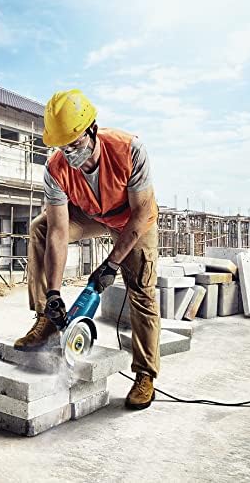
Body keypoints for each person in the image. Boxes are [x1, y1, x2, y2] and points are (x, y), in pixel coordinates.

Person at [14, 89, 160, 410]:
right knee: (39, 227)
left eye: (76, 143)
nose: (70, 153)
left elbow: (141, 214)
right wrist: (54, 292)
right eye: (63, 147)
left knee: (142, 288)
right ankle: (47, 318)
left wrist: (111, 265)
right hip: (93, 215)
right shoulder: (55, 168)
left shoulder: (129, 150)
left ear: (92, 128)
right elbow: (58, 230)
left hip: (133, 218)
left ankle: (145, 373)